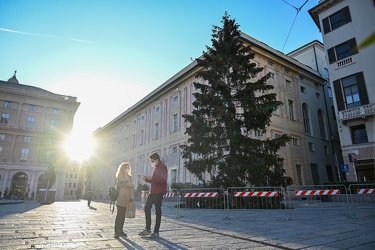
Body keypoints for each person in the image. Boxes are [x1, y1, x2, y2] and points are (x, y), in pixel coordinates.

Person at [138, 152, 168, 238]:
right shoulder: (155, 168)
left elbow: (163, 180)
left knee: (157, 211)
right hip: (153, 191)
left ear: (156, 159)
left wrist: (152, 178)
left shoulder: (163, 167)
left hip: (159, 192)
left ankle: (156, 231)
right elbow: (155, 180)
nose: (151, 162)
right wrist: (147, 180)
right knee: (147, 207)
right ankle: (147, 229)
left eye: (152, 160)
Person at [114, 162, 135, 238]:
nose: (127, 169)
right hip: (121, 197)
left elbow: (132, 188)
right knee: (119, 215)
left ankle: (120, 230)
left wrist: (132, 196)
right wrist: (131, 184)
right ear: (122, 168)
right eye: (126, 167)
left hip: (127, 198)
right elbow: (122, 183)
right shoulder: (120, 175)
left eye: (128, 167)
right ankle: (116, 231)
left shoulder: (129, 177)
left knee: (123, 216)